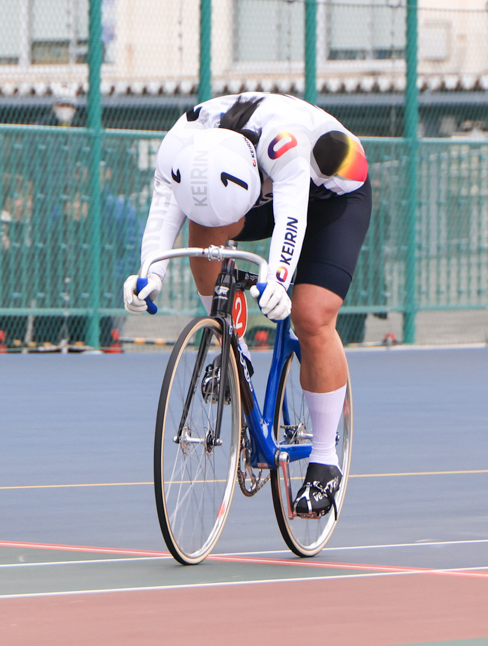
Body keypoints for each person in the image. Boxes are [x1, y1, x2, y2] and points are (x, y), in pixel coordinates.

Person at [123, 92, 372, 516]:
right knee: (204, 229)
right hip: (259, 191)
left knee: (310, 316)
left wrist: (277, 280)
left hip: (332, 194)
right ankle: (230, 342)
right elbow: (165, 209)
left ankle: (325, 459)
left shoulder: (284, 142)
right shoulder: (180, 143)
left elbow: (292, 217)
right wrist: (150, 274)